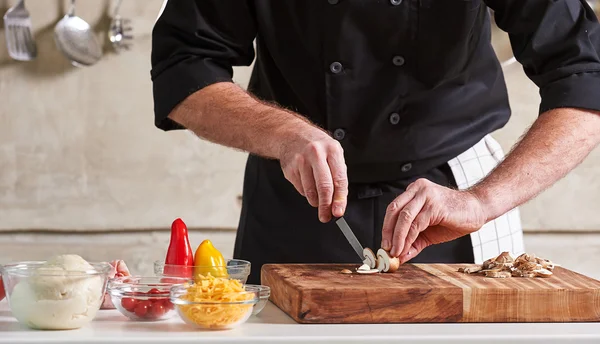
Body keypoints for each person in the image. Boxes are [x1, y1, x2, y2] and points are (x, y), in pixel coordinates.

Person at [150, 0, 600, 285]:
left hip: (454, 203)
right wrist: (282, 131)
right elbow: (184, 65)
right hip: (299, 197)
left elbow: (586, 79)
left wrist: (482, 201)